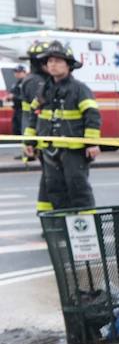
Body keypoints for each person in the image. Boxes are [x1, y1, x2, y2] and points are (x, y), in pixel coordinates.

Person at [33, 41, 101, 210]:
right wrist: (29, 142)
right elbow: (33, 115)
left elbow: (92, 115)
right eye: (49, 61)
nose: (52, 65)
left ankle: (86, 228)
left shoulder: (79, 89)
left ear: (69, 65)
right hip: (49, 149)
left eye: (57, 61)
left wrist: (92, 143)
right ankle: (60, 227)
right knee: (54, 189)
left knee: (78, 187)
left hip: (73, 150)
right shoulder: (44, 90)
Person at [18, 43, 53, 215]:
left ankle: (48, 214)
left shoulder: (39, 79)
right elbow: (39, 112)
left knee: (50, 179)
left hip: (42, 136)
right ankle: (48, 216)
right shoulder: (35, 81)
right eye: (49, 60)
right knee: (50, 180)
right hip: (40, 137)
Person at [9, 63, 26, 158]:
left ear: (24, 72)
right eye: (15, 72)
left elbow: (26, 98)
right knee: (17, 131)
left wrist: (14, 97)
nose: (17, 74)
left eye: (19, 72)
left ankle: (27, 153)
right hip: (17, 110)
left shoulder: (26, 83)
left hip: (23, 111)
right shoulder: (16, 83)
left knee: (23, 131)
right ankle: (23, 152)